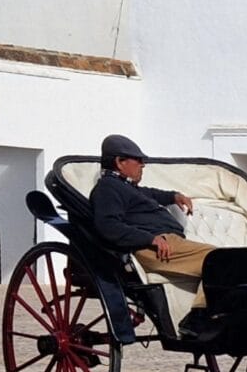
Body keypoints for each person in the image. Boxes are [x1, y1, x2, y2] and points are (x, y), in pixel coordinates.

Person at [89, 134, 215, 339]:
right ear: (120, 162)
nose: (143, 165)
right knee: (218, 260)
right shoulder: (107, 188)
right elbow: (109, 225)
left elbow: (149, 194)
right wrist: (149, 239)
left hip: (168, 242)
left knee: (225, 261)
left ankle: (215, 314)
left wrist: (174, 196)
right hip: (153, 247)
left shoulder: (125, 187)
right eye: (138, 160)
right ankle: (196, 319)